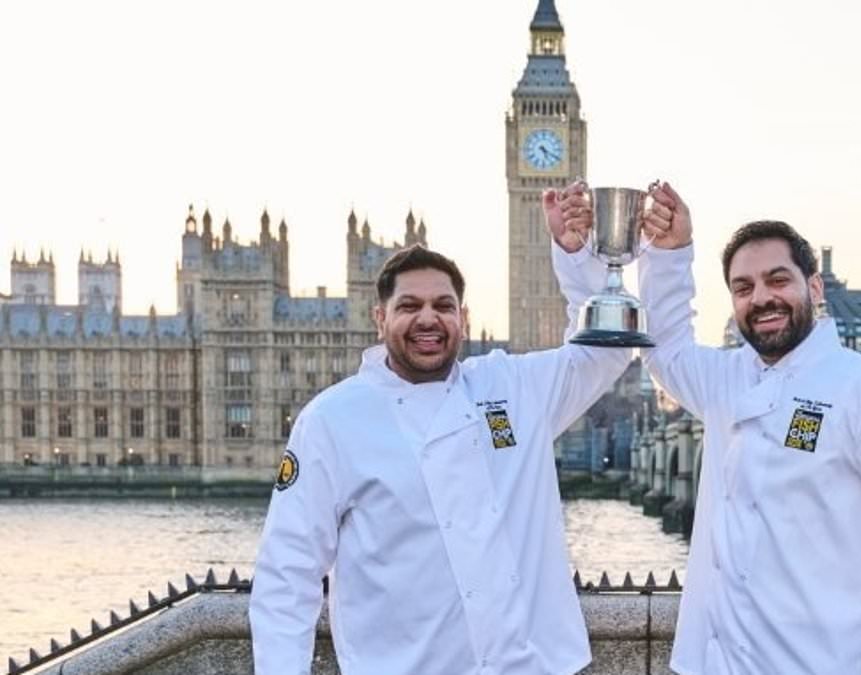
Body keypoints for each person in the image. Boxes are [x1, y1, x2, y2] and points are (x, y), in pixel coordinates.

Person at [249, 182, 631, 674]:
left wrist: (576, 257)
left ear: (464, 319)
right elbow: (287, 575)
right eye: (409, 306)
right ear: (379, 318)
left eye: (443, 306)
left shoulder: (511, 387)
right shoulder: (330, 420)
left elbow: (609, 347)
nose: (428, 318)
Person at [638, 184, 861, 675]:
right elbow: (665, 352)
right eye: (743, 288)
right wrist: (670, 255)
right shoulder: (727, 381)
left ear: (814, 288)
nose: (762, 298)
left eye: (777, 279)